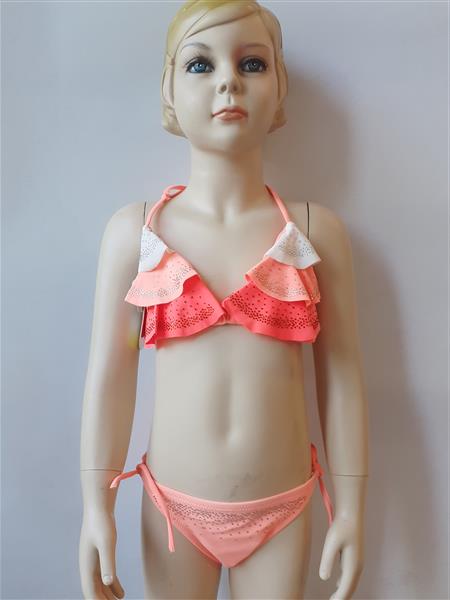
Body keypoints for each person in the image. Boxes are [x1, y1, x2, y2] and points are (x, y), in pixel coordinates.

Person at [79, 1, 369, 599]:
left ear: (279, 85)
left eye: (252, 63)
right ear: (168, 87)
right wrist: (93, 507)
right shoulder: (135, 234)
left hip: (282, 510)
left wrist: (352, 508)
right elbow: (110, 377)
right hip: (173, 512)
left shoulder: (314, 232)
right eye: (199, 64)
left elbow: (342, 379)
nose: (228, 81)